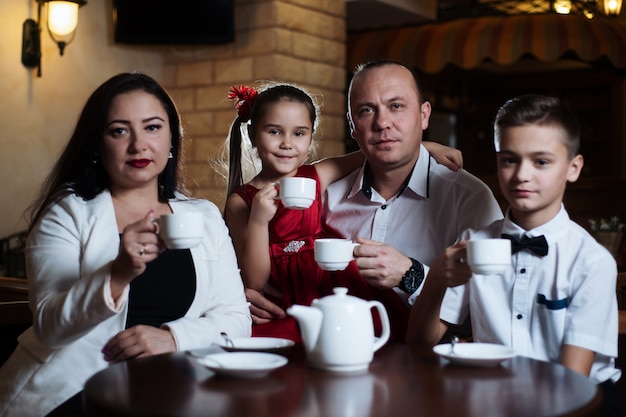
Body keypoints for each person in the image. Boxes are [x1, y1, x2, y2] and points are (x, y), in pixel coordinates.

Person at [0, 73, 251, 417]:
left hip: (176, 389)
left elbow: (236, 319)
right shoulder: (67, 214)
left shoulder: (203, 217)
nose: (138, 145)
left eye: (152, 127)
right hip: (73, 393)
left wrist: (174, 337)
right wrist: (117, 273)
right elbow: (49, 327)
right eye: (119, 130)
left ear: (172, 137)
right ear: (97, 143)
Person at [406, 94, 620, 416]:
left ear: (573, 168)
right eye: (509, 159)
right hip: (491, 397)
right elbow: (420, 344)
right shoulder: (474, 242)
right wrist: (436, 276)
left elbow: (572, 381)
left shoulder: (592, 261)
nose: (522, 174)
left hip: (578, 403)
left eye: (541, 162)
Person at [223, 82, 463, 341]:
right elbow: (255, 283)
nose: (287, 144)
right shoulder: (242, 201)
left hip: (332, 282)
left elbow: (373, 153)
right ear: (253, 135)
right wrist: (259, 220)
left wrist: (425, 148)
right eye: (274, 132)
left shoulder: (317, 175)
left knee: (366, 335)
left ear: (311, 136)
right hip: (284, 297)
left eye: (299, 133)